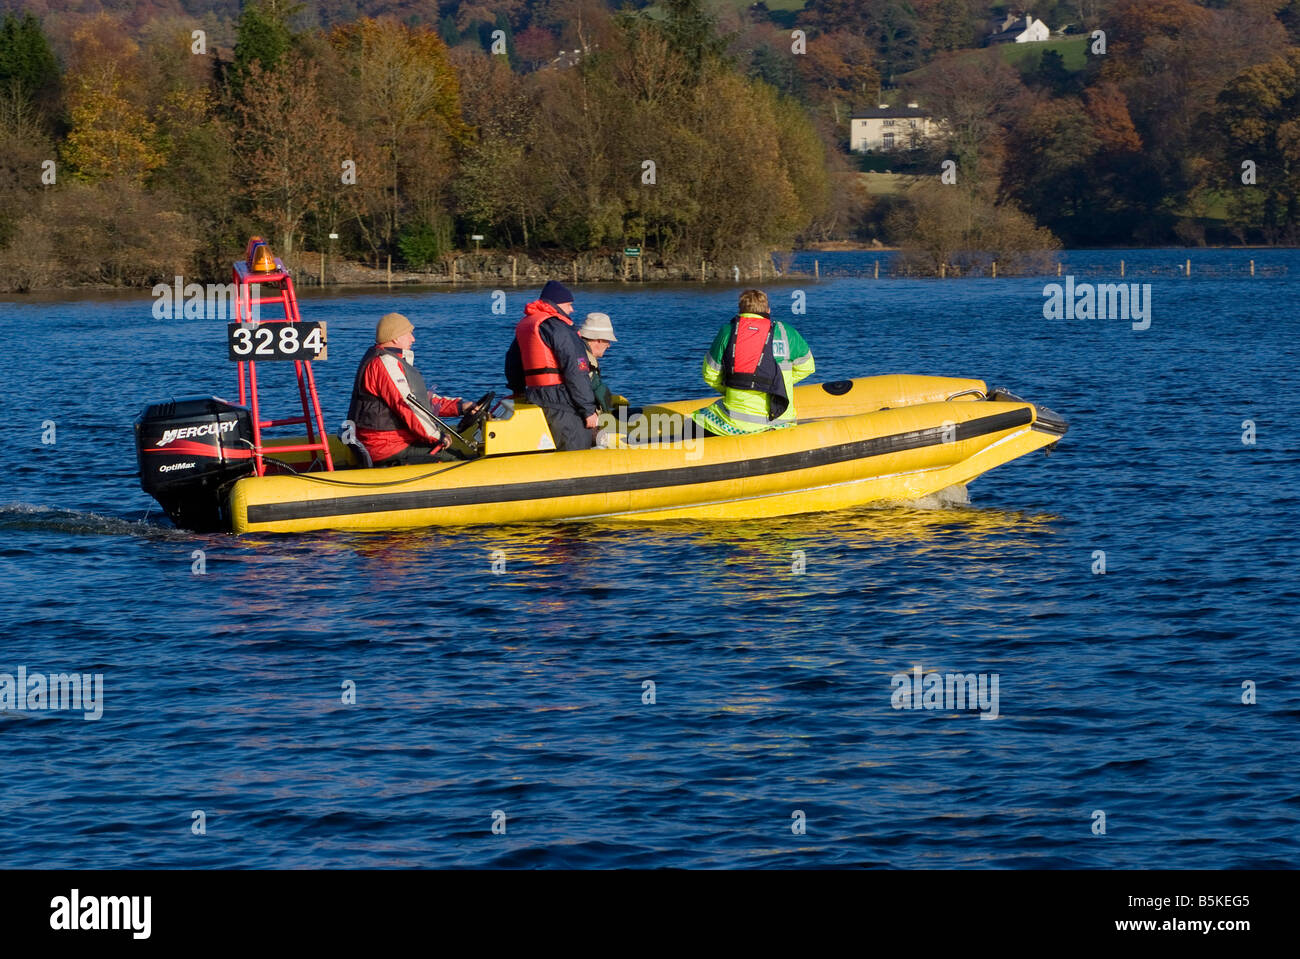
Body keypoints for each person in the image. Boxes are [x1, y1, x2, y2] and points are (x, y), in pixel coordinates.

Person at [348, 312, 480, 466]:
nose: (413, 338)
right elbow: (407, 406)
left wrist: (459, 407)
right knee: (454, 459)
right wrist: (436, 436)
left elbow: (420, 401)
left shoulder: (388, 360)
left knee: (452, 452)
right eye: (409, 333)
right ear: (396, 337)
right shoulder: (385, 364)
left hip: (388, 441)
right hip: (385, 446)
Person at [690, 289, 815, 437]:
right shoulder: (786, 331)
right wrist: (779, 383)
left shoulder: (727, 332)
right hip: (782, 421)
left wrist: (730, 388)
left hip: (737, 423)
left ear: (740, 310)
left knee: (695, 420)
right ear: (768, 310)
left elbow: (709, 374)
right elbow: (808, 367)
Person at [504, 280, 599, 451]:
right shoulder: (559, 328)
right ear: (558, 304)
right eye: (569, 305)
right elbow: (576, 371)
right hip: (560, 400)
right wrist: (588, 410)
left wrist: (517, 389)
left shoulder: (528, 325)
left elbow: (512, 362)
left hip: (534, 397)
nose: (572, 310)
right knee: (577, 444)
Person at [576, 312, 629, 413]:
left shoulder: (576, 350)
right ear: (599, 340)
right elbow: (593, 385)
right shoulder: (583, 358)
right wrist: (610, 401)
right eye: (608, 341)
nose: (609, 346)